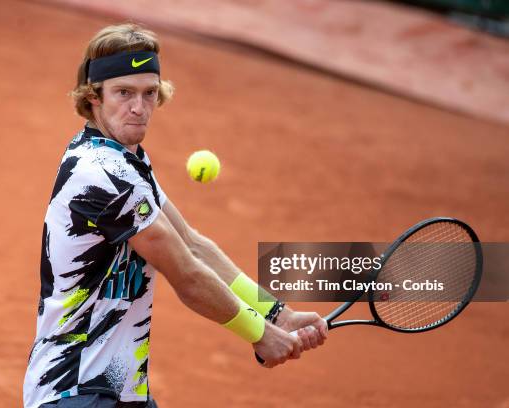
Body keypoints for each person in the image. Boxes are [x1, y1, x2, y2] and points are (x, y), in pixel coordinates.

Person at [23, 23, 328, 408]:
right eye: (124, 93)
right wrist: (260, 334)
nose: (139, 107)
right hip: (76, 391)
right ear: (94, 96)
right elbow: (186, 273)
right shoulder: (102, 174)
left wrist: (276, 313)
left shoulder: (125, 161)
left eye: (150, 93)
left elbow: (194, 245)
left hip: (118, 390)